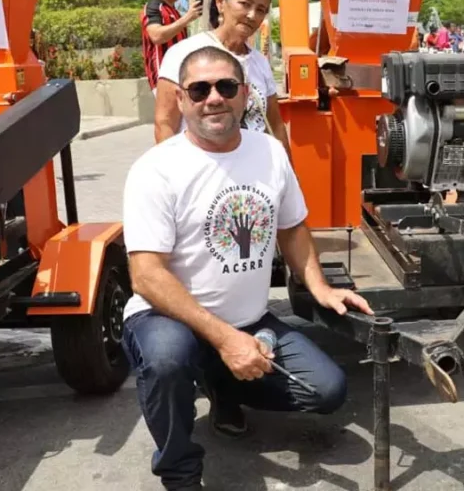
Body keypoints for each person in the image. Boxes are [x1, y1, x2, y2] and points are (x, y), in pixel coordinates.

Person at [122, 44, 374, 491]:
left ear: (245, 95)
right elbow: (146, 275)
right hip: (166, 318)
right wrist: (225, 338)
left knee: (327, 390)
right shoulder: (156, 169)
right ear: (180, 99)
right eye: (198, 89)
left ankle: (221, 383)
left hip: (249, 318)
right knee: (166, 362)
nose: (213, 98)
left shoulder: (270, 151)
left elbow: (293, 227)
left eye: (226, 86)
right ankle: (180, 472)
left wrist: (319, 287)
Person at [154, 0, 289, 158]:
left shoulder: (259, 62)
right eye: (245, 4)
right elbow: (165, 123)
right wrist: (172, 176)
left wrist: (290, 175)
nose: (252, 15)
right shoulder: (183, 53)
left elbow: (275, 125)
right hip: (201, 172)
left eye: (261, 10)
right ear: (220, 1)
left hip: (252, 175)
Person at [142, 0, 204, 98]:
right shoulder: (154, 7)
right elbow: (156, 36)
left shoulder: (174, 10)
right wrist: (187, 18)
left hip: (180, 75)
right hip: (163, 77)